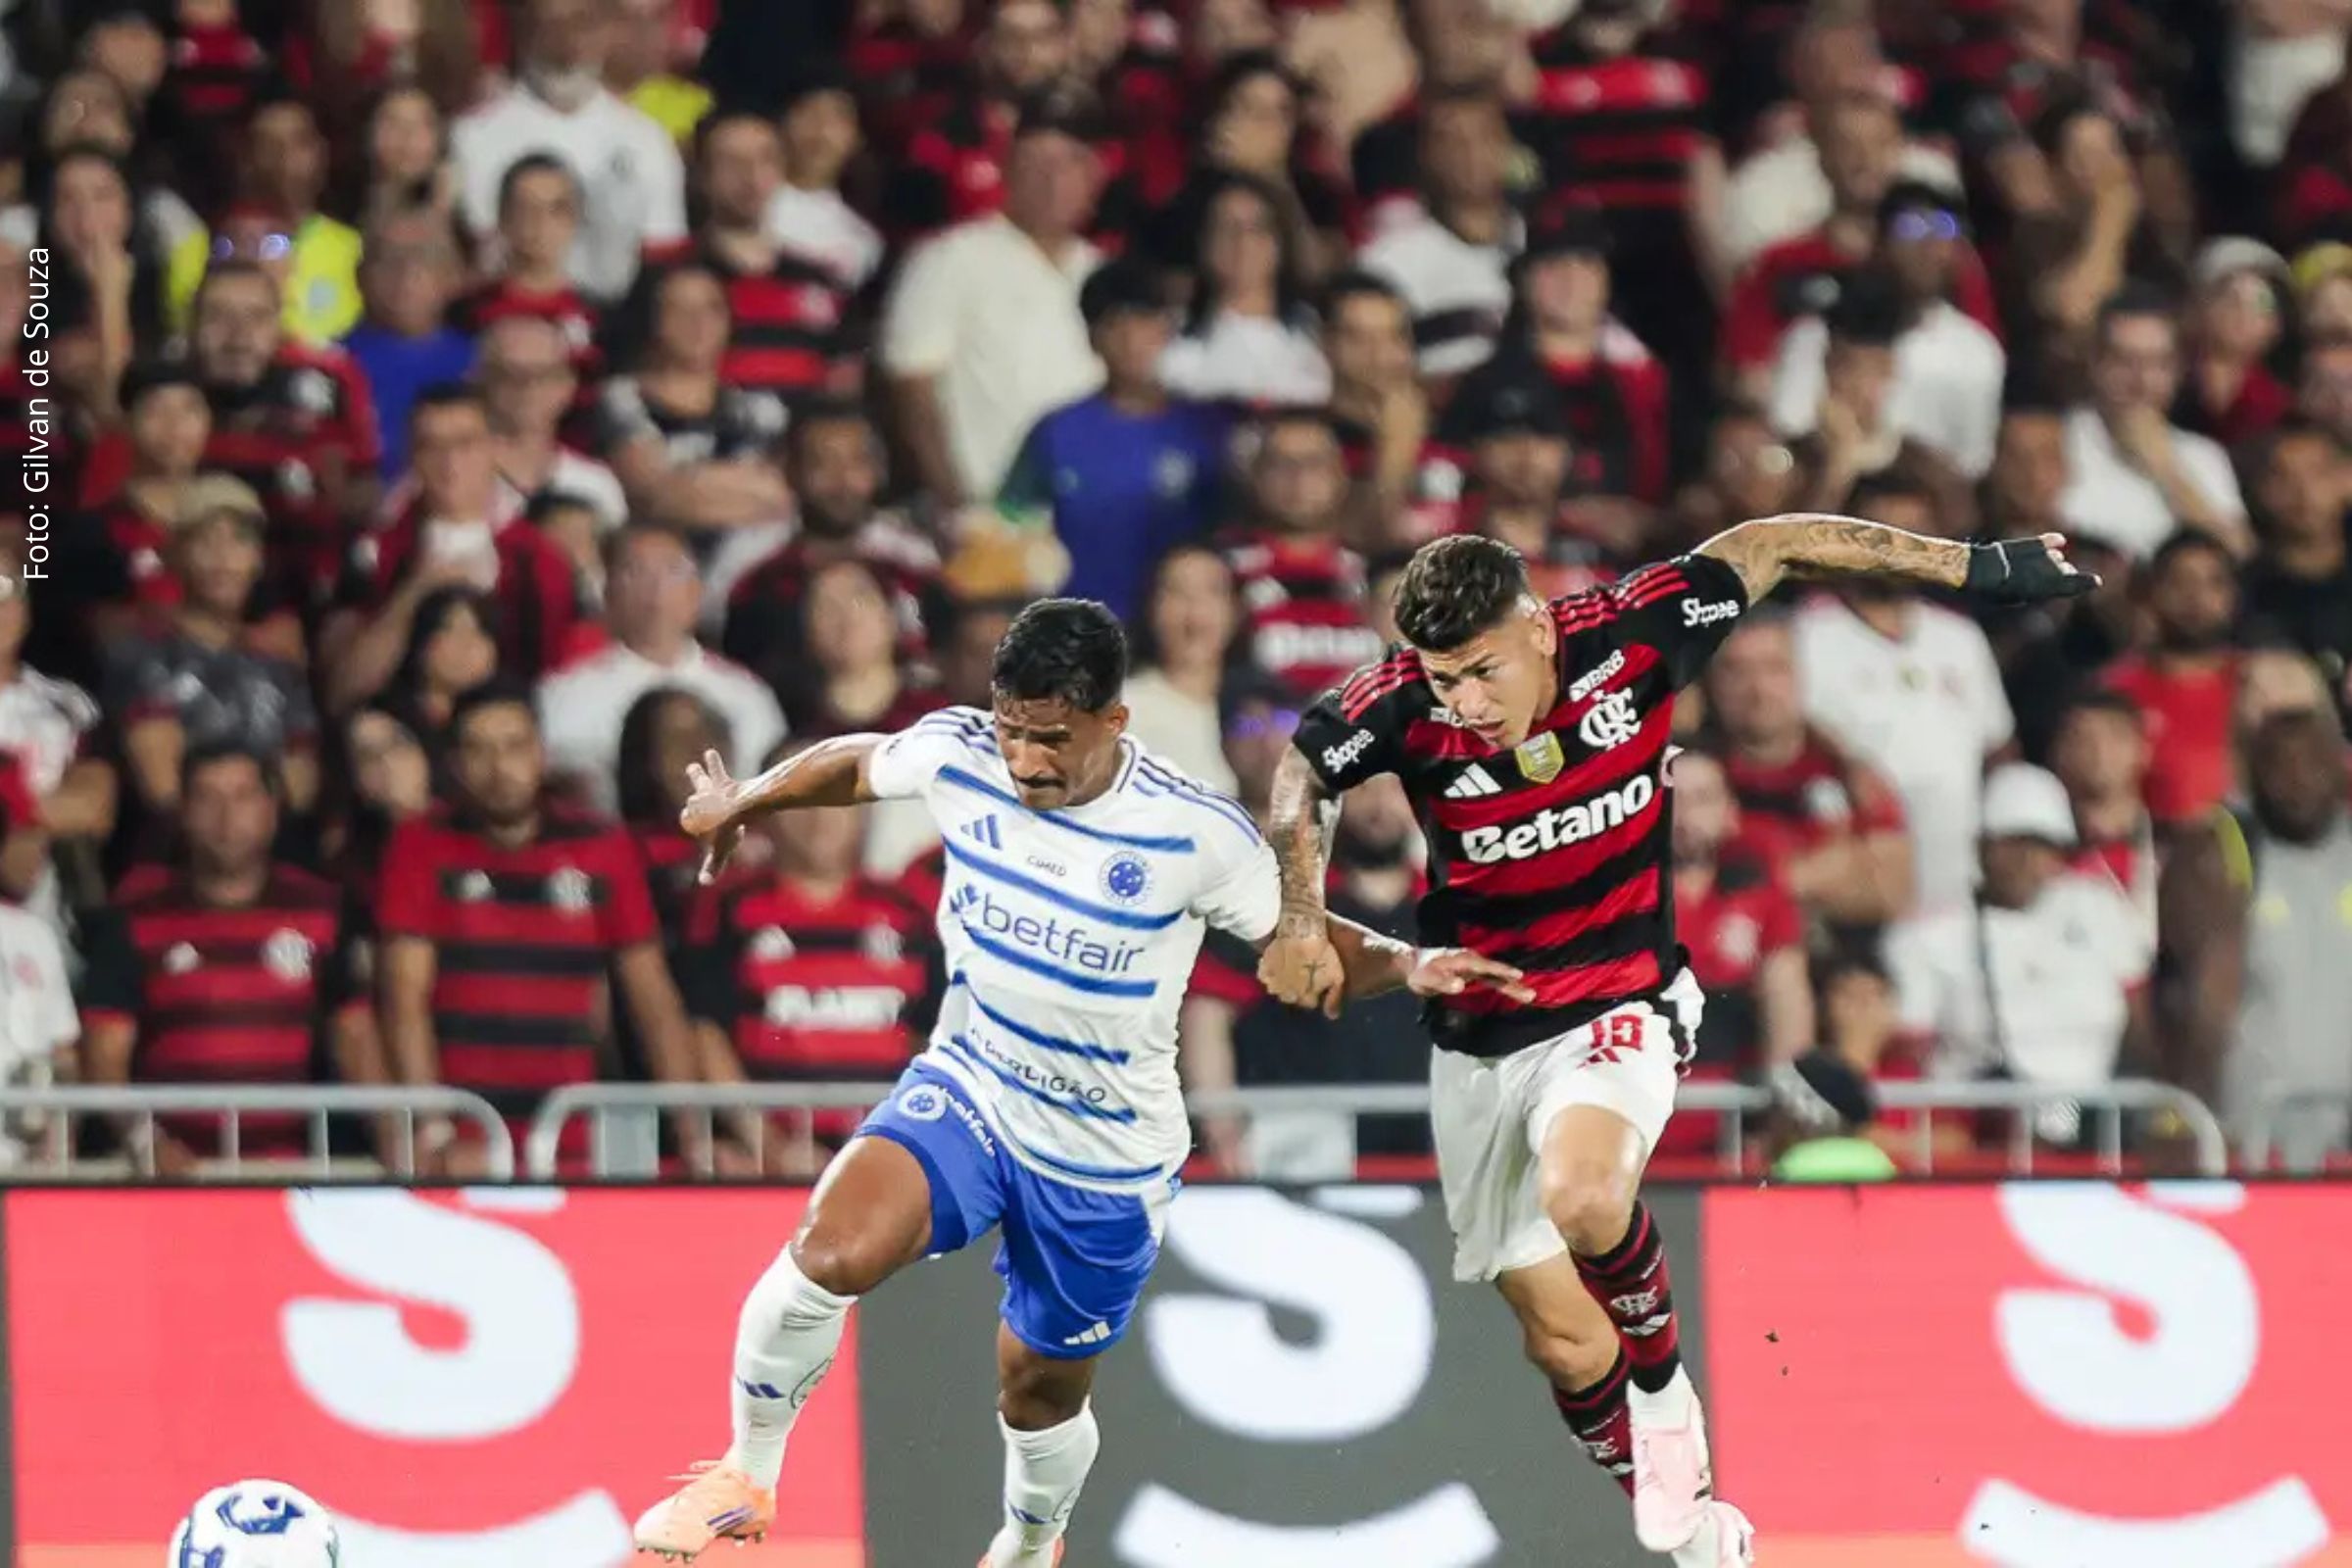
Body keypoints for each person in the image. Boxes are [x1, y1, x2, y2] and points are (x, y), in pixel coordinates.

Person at [1262, 516, 2097, 1564]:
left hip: (1623, 999)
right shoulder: (1401, 707)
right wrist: (1302, 913)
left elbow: (1776, 540)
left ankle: (1664, 1397)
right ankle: (1701, 1531)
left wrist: (1968, 565)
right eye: (1441, 678)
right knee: (1563, 1342)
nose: (1464, 704)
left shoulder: (1635, 634)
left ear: (1532, 626)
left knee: (1587, 1196)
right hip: (1480, 1039)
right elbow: (1303, 775)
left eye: (1480, 671)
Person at [632, 599, 1521, 1564]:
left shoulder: (1196, 834)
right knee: (827, 1252)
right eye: (1013, 732)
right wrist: (751, 796)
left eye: (1051, 740)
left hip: (1105, 1157)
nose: (1024, 762)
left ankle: (1031, 1541)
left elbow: (1310, 941)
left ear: (1112, 722)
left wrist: (1415, 962)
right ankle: (745, 1475)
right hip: (973, 1088)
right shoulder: (960, 750)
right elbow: (860, 762)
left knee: (1037, 1390)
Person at [377, 680, 705, 1173]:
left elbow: (652, 998)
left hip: (575, 1136)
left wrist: (693, 1139)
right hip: (468, 1142)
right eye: (478, 750)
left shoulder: (602, 845)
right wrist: (435, 1131)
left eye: (514, 746)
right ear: (454, 764)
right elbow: (405, 999)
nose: (499, 768)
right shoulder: (420, 845)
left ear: (541, 754)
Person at [81, 743, 382, 1173]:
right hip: (170, 1176)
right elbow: (104, 1054)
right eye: (208, 798)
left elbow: (355, 1037)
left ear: (272, 808)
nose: (226, 817)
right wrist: (144, 1142)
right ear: (183, 812)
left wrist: (399, 1141)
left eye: (243, 796)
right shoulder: (134, 917)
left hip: (291, 1174)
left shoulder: (324, 909)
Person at [1884, 763, 2151, 1146]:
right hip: (1979, 1140)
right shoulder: (1929, 935)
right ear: (1981, 847)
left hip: (2095, 1133)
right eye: (2012, 843)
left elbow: (2140, 1024)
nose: (2026, 859)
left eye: (2041, 844)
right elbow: (1907, 1055)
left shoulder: (2100, 910)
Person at [998, 258, 1231, 620]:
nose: (1131, 340)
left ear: (1167, 330)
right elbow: (1007, 527)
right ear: (1091, 338)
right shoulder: (1057, 432)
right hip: (1078, 638)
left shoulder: (1206, 428)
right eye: (1114, 326)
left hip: (1179, 633)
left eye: (1144, 322)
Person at [537, 524, 785, 813]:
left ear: (697, 591)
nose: (654, 589)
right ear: (608, 592)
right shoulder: (565, 695)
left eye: (672, 571)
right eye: (636, 572)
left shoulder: (746, 694)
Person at [451, 0, 687, 299]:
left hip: (618, 323)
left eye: (582, 21)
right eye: (553, 23)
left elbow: (663, 254)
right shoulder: (475, 134)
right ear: (527, 27)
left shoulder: (647, 139)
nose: (568, 41)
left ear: (606, 29)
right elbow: (486, 248)